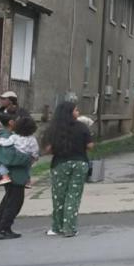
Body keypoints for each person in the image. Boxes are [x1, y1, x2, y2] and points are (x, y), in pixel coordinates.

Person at [43, 101, 94, 237]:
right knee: (73, 196)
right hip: (79, 162)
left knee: (58, 196)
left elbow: (47, 149)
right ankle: (69, 227)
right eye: (76, 110)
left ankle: (56, 227)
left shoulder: (53, 129)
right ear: (69, 112)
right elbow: (90, 146)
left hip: (60, 163)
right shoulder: (82, 127)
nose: (78, 112)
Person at [0, 111, 32, 240]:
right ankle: (4, 229)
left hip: (9, 174)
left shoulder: (6, 136)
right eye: (18, 120)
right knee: (14, 202)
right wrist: (28, 158)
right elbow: (10, 157)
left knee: (7, 201)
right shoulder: (6, 137)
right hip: (14, 175)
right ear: (11, 123)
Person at [0, 111, 39, 187]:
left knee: (1, 165)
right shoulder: (33, 139)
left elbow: (7, 143)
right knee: (27, 169)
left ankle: (5, 177)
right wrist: (35, 157)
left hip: (17, 154)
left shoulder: (14, 137)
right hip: (27, 156)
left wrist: (0, 141)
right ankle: (27, 181)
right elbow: (35, 149)